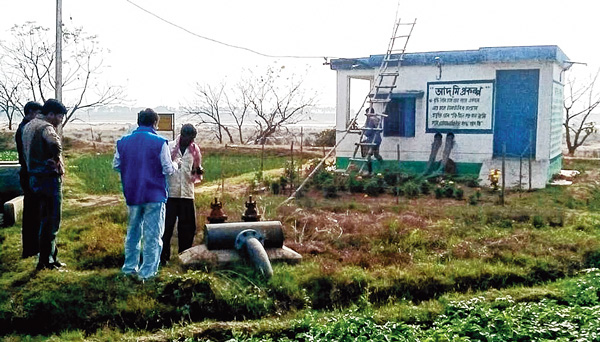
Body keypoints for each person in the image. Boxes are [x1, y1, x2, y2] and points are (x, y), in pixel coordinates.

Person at [113, 108, 178, 280]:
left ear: (138, 121)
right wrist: (176, 164)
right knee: (153, 235)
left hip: (133, 194)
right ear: (155, 123)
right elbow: (167, 168)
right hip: (154, 194)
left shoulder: (123, 142)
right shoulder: (159, 142)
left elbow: (116, 165)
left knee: (133, 232)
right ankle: (147, 273)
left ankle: (129, 268)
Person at [21, 99, 67, 270]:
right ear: (51, 114)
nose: (61, 120)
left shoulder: (30, 125)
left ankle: (49, 257)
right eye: (60, 116)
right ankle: (46, 261)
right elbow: (55, 144)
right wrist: (55, 159)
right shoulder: (46, 127)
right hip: (48, 178)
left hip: (33, 177)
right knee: (51, 220)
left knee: (43, 219)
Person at [160, 124, 203, 265]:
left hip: (187, 193)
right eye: (189, 138)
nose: (191, 141)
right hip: (170, 193)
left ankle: (184, 258)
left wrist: (198, 173)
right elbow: (164, 166)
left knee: (188, 228)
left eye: (193, 138)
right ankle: (163, 257)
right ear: (182, 135)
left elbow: (196, 168)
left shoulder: (195, 150)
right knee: (166, 227)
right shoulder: (170, 147)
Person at [15, 101, 43, 259]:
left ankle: (32, 247)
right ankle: (31, 248)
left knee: (33, 213)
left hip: (27, 173)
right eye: (38, 114)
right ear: (31, 112)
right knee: (32, 213)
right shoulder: (26, 129)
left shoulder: (24, 127)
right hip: (29, 173)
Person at [360, 106, 383, 173]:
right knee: (376, 154)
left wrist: (364, 132)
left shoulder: (370, 120)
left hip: (371, 140)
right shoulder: (377, 119)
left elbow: (368, 132)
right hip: (378, 140)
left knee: (368, 155)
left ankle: (370, 171)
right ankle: (383, 165)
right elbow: (380, 130)